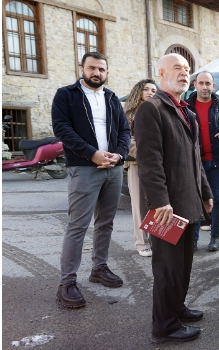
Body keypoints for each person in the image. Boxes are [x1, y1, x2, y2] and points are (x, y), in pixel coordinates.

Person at [134, 53, 214, 343]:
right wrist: (159, 202)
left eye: (187, 69)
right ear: (161, 73)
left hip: (188, 203)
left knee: (183, 265)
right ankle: (164, 326)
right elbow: (149, 162)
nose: (185, 73)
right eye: (178, 68)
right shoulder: (151, 110)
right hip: (166, 208)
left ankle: (176, 308)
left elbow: (195, 159)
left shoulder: (187, 112)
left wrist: (206, 193)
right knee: (167, 269)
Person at [51, 51, 131, 308]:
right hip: (84, 168)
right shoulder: (66, 95)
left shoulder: (111, 97)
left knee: (105, 223)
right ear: (82, 69)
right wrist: (93, 154)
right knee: (78, 226)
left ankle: (99, 268)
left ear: (107, 73)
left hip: (113, 168)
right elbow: (62, 129)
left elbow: (124, 130)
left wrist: (118, 155)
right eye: (92, 68)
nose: (96, 73)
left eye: (101, 69)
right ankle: (67, 282)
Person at [186, 70, 219, 252]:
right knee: (196, 199)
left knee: (218, 199)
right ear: (195, 85)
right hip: (195, 162)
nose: (205, 87)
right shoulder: (187, 106)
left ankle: (215, 236)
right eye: (201, 83)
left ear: (214, 86)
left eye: (208, 84)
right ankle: (194, 238)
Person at [123, 78, 157, 257]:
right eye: (146, 89)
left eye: (153, 89)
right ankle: (141, 242)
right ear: (139, 92)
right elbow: (127, 141)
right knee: (138, 205)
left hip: (157, 166)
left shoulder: (158, 111)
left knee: (156, 203)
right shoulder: (129, 113)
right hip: (137, 163)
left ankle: (155, 239)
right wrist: (147, 154)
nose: (151, 92)